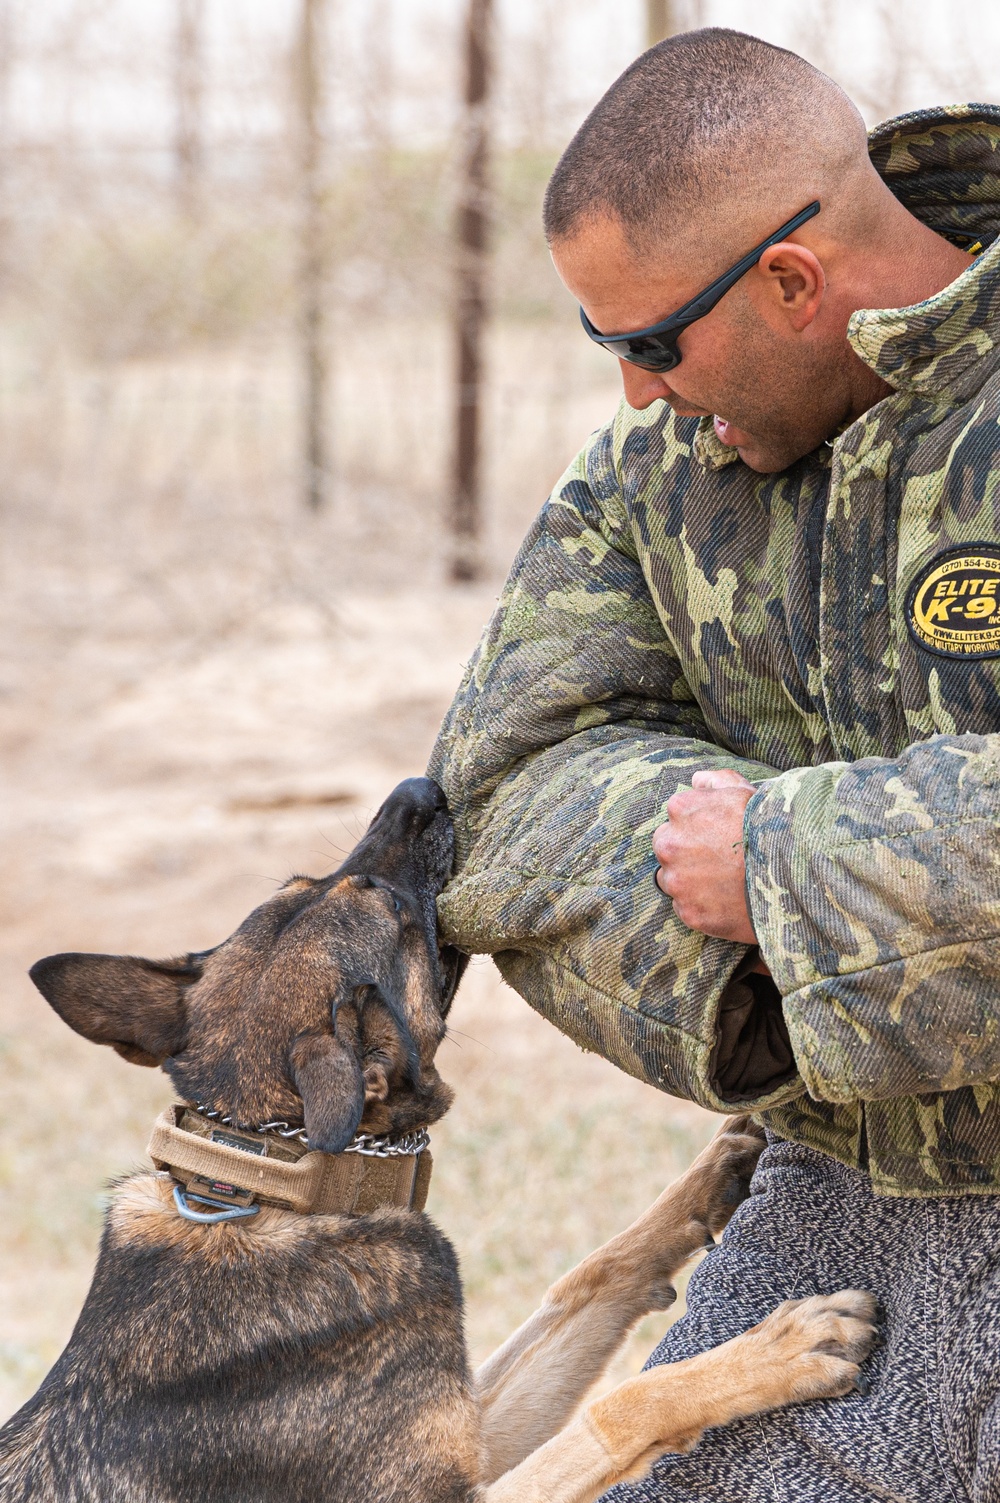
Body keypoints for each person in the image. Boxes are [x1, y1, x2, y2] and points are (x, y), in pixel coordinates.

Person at [430, 26, 1000, 1503]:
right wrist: (780, 991)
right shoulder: (657, 474)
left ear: (793, 282)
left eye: (649, 343)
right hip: (831, 1191)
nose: (631, 395)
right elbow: (503, 798)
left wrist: (787, 867)